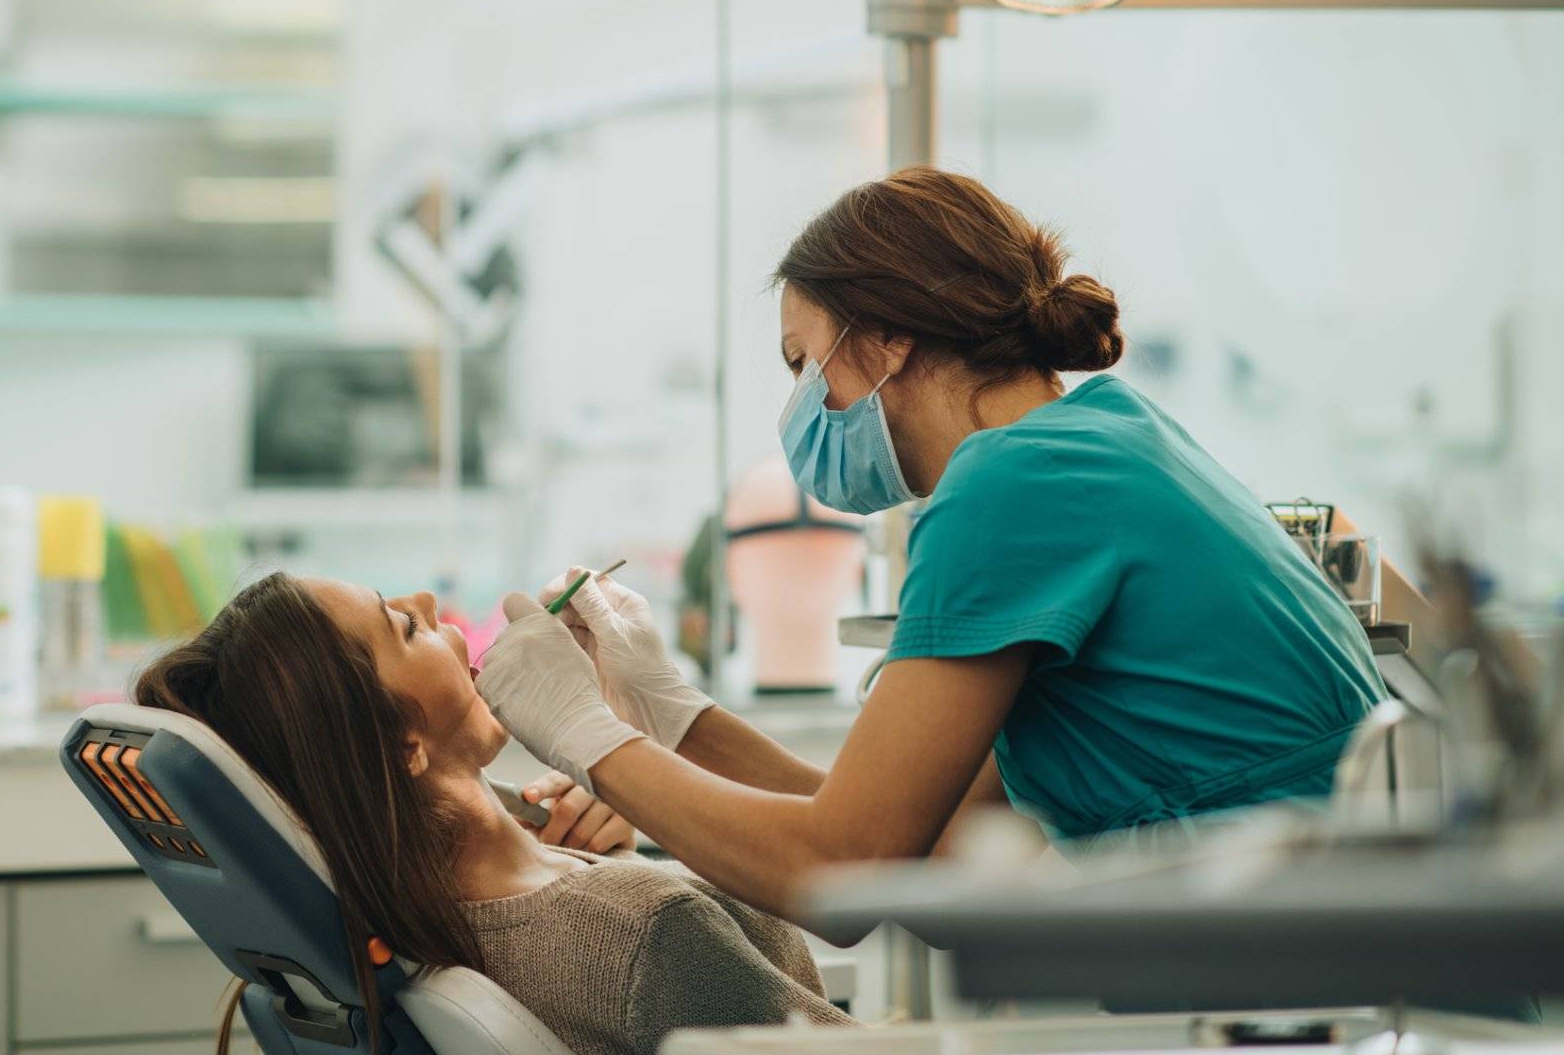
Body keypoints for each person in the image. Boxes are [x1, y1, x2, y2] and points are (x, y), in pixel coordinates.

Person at [476, 166, 1388, 926]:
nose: (799, 406)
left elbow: (844, 870)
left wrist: (585, 735)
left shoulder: (1013, 484)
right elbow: (928, 845)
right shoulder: (1104, 437)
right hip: (1348, 961)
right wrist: (671, 715)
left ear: (886, 338)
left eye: (803, 363)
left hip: (1309, 986)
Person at [134, 573, 854, 1055]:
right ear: (402, 744)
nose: (423, 601)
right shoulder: (642, 928)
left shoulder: (422, 917)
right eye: (404, 627)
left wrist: (618, 855)